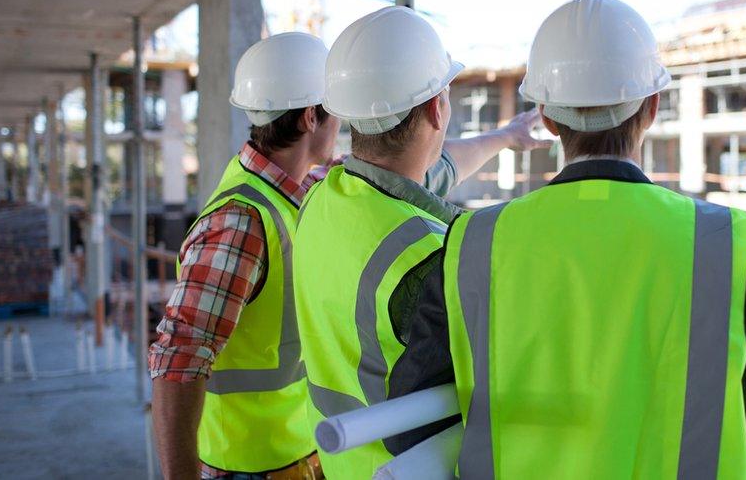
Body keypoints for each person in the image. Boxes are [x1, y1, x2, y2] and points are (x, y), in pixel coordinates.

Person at [387, 0, 746, 479]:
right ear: (653, 106)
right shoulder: (724, 242)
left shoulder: (474, 242)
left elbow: (407, 426)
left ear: (548, 119)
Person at [150, 29, 545, 479]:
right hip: (248, 465)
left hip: (311, 451)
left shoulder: (318, 192)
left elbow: (427, 171)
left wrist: (506, 136)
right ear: (308, 117)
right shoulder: (243, 222)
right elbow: (177, 356)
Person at [292, 6, 550, 479]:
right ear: (437, 108)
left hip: (339, 461)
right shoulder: (432, 255)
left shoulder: (323, 195)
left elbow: (436, 168)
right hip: (402, 468)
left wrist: (505, 137)